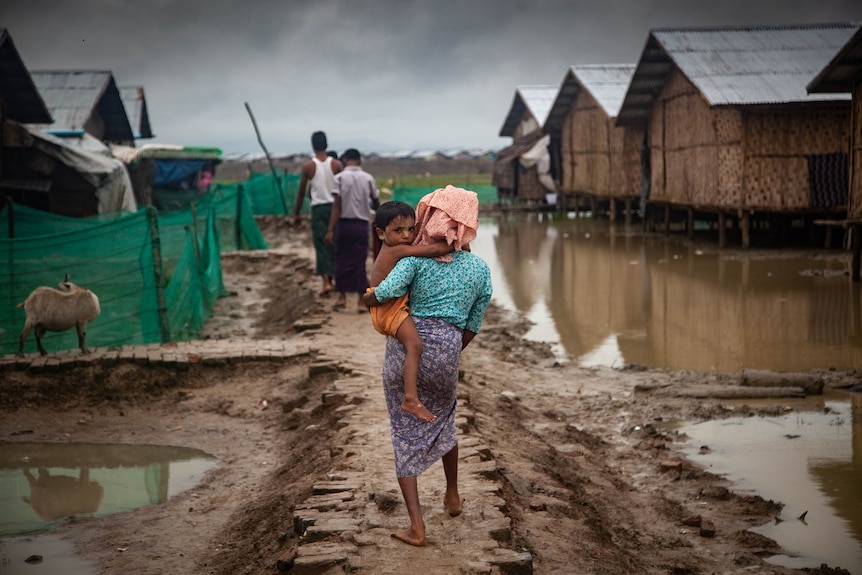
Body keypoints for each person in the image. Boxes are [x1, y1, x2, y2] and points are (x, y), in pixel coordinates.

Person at [363, 185, 492, 547]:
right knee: (445, 420)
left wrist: (368, 297)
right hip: (448, 352)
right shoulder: (480, 269)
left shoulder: (412, 261)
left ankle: (417, 527)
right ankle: (452, 494)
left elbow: (383, 293)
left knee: (404, 437)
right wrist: (450, 351)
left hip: (405, 355)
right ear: (469, 225)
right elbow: (473, 324)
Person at [367, 201, 453, 423]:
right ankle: (410, 398)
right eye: (398, 230)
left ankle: (411, 395)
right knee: (415, 346)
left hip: (389, 304)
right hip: (388, 308)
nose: (406, 235)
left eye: (411, 229)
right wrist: (456, 243)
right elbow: (433, 250)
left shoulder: (394, 247)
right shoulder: (397, 250)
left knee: (413, 345)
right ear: (380, 233)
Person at [326, 148, 379, 312]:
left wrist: (330, 229)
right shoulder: (368, 178)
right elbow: (376, 202)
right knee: (359, 261)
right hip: (361, 225)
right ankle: (360, 301)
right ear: (360, 161)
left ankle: (341, 298)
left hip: (344, 224)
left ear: (344, 161)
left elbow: (336, 205)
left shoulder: (339, 178)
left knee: (341, 259)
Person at [293, 131, 343, 296]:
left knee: (321, 245)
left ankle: (326, 282)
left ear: (313, 146)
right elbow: (343, 188)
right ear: (326, 145)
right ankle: (336, 279)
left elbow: (301, 193)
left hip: (318, 209)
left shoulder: (308, 166)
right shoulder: (336, 164)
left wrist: (297, 214)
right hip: (335, 208)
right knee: (335, 243)